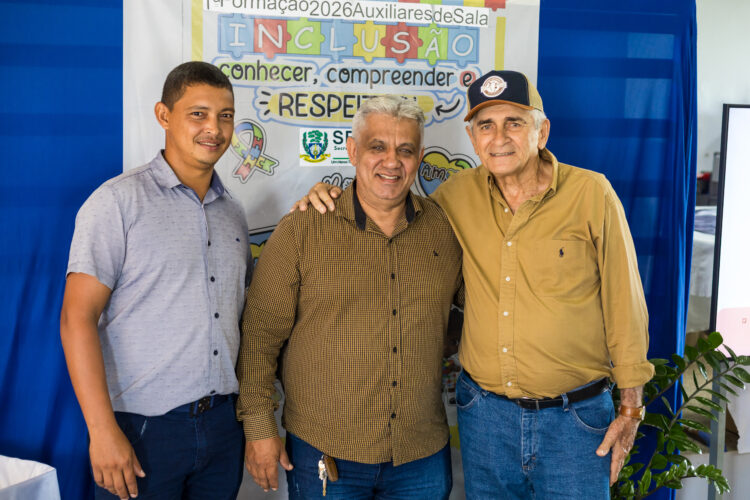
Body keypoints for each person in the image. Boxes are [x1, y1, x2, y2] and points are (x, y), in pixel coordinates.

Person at [295, 70, 654, 498]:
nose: (498, 137)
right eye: (486, 125)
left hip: (574, 420)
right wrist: (330, 197)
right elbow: (386, 206)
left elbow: (625, 305)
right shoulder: (452, 199)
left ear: (542, 132)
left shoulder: (592, 194)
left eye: (513, 123)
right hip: (485, 418)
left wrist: (631, 407)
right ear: (472, 137)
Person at [237, 95, 463, 499]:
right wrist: (258, 428)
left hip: (421, 454)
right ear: (353, 151)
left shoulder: (446, 231)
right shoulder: (302, 230)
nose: (391, 162)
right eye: (378, 147)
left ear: (419, 157)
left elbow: (482, 306)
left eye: (405, 150)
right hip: (325, 452)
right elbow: (259, 336)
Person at [60, 61, 250, 500]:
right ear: (164, 115)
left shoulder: (234, 213)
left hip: (223, 426)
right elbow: (76, 318)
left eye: (225, 116)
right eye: (198, 114)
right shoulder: (117, 202)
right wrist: (102, 431)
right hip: (142, 429)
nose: (214, 128)